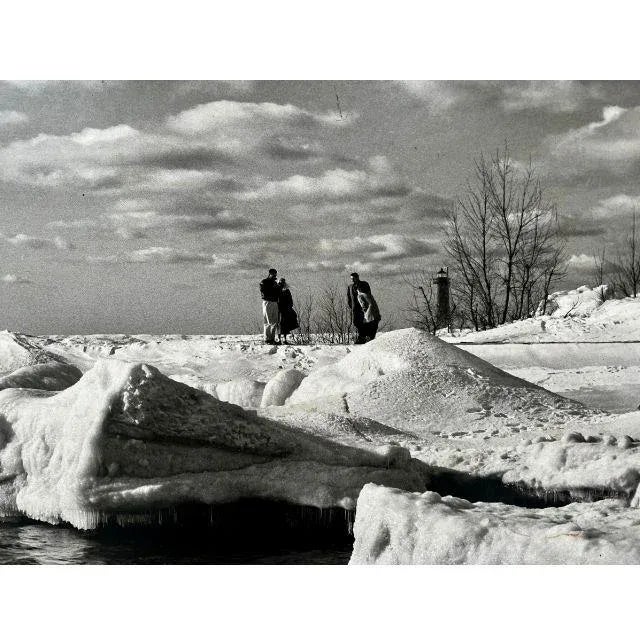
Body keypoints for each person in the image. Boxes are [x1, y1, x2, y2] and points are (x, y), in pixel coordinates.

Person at [347, 272, 371, 344]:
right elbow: (349, 297)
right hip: (355, 308)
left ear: (357, 277)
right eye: (351, 279)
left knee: (364, 322)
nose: (352, 280)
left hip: (363, 307)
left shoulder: (364, 284)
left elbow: (368, 294)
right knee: (356, 322)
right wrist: (351, 305)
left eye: (353, 278)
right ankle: (362, 337)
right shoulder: (350, 287)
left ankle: (362, 338)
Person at [259, 268, 281, 344]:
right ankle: (267, 339)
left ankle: (271, 339)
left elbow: (278, 293)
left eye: (275, 274)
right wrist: (274, 288)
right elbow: (264, 294)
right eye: (273, 274)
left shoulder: (275, 283)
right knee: (268, 321)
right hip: (267, 302)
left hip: (275, 302)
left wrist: (279, 287)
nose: (274, 275)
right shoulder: (264, 282)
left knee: (275, 321)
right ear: (269, 274)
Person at [277, 278, 299, 344]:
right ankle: (279, 339)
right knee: (280, 324)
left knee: (285, 324)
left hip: (285, 309)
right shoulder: (277, 290)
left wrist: (289, 307)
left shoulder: (286, 290)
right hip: (279, 309)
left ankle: (285, 339)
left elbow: (290, 300)